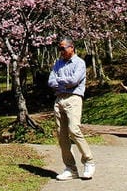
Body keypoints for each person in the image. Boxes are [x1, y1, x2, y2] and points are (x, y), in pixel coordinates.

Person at [47, 37, 96, 181]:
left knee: (74, 130)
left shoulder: (79, 63)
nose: (61, 51)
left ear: (71, 47)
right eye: (59, 48)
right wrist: (64, 83)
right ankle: (70, 168)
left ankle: (89, 161)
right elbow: (50, 81)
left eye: (63, 48)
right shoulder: (58, 63)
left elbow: (74, 81)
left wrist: (60, 80)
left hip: (73, 98)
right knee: (61, 136)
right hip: (59, 100)